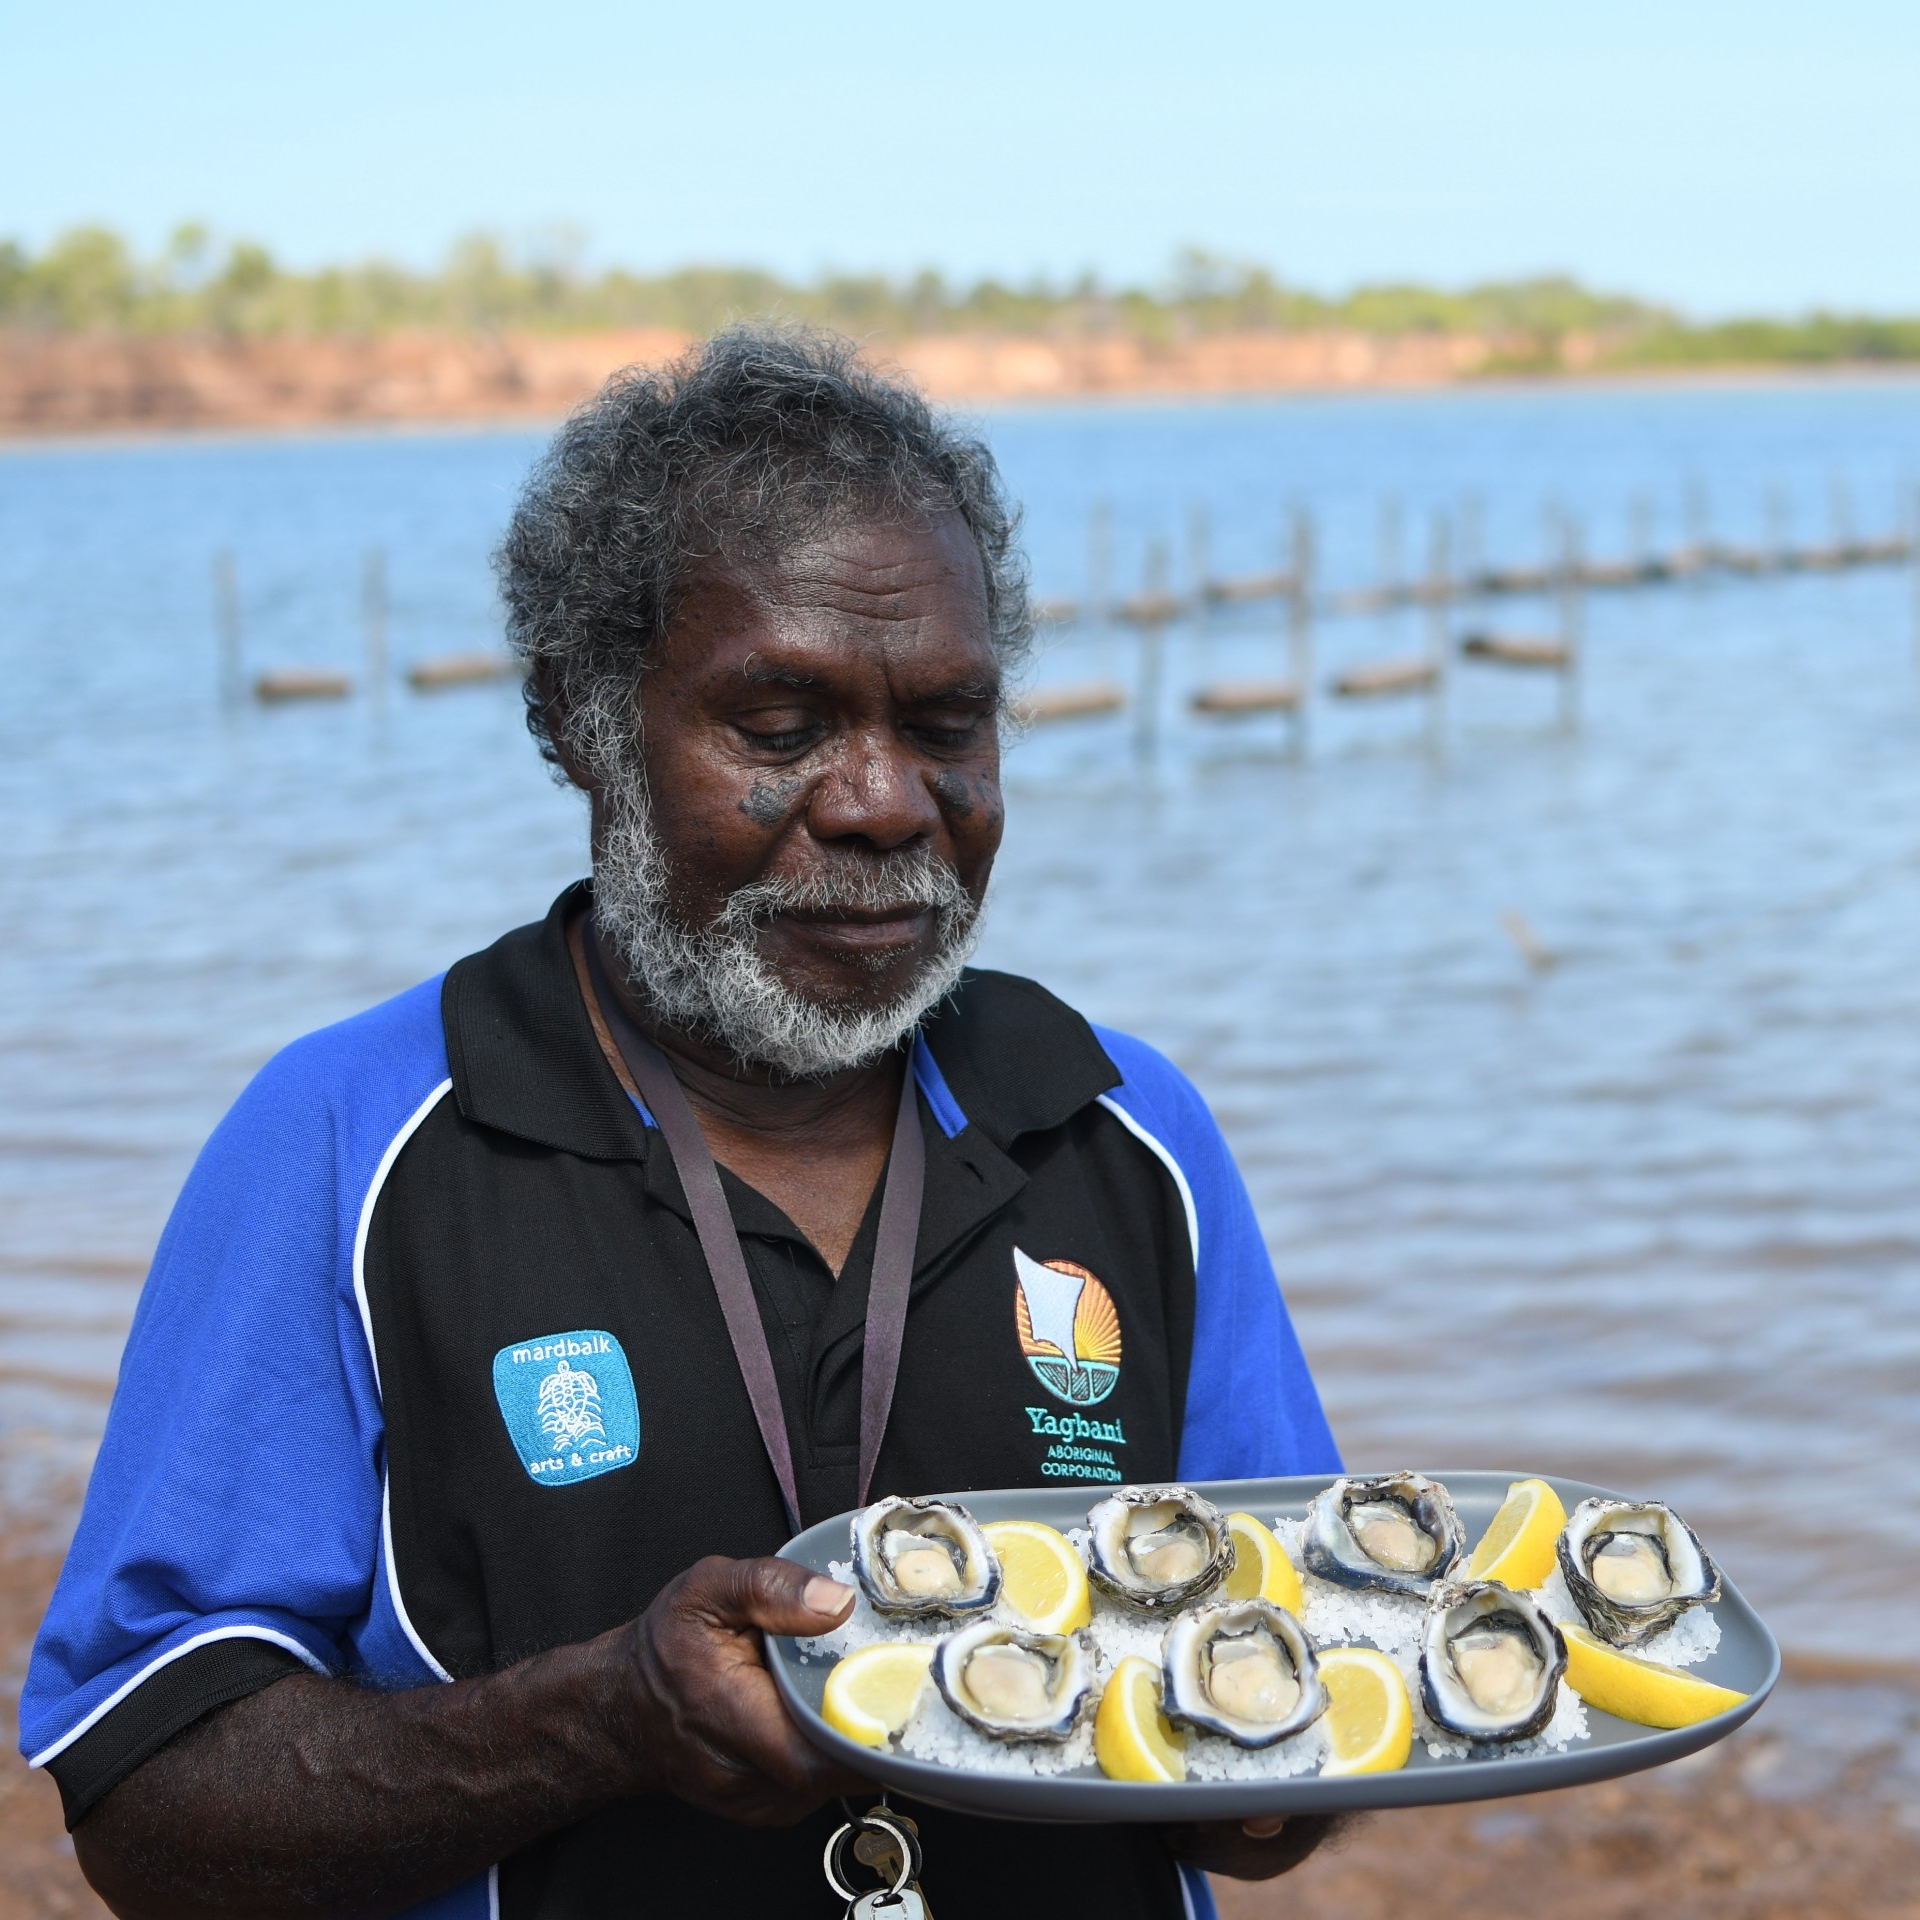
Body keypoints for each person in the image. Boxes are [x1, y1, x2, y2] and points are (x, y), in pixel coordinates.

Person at [21, 327, 1343, 1920]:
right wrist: (598, 1723)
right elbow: (146, 1798)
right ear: (584, 724)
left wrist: (1307, 1744)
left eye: (944, 726)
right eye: (780, 728)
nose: (881, 802)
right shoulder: (353, 1145)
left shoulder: (1128, 1134)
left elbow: (1272, 1772)